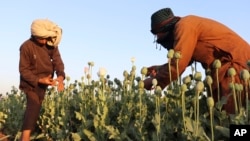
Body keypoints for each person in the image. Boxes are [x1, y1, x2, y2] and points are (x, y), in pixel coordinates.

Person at [143, 8, 250, 114]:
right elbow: (184, 59)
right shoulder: (185, 25)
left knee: (231, 118)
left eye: (157, 35)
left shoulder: (184, 26)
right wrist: (159, 69)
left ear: (163, 28)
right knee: (219, 115)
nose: (157, 38)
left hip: (236, 66)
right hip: (223, 70)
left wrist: (155, 81)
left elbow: (179, 64)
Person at [19, 19, 65, 141]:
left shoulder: (50, 44)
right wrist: (39, 80)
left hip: (45, 82)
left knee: (36, 106)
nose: (44, 41)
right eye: (41, 38)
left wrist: (60, 77)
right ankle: (25, 138)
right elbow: (23, 70)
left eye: (46, 38)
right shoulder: (26, 47)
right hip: (30, 82)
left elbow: (58, 62)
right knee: (33, 107)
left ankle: (24, 134)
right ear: (34, 35)